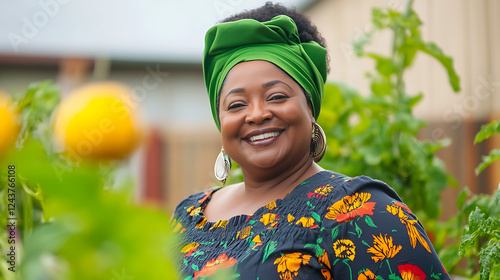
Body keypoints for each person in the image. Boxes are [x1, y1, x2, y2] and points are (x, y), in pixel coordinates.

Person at [172, 3, 450, 280]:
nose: (256, 114)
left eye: (277, 96)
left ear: (310, 108)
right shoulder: (187, 216)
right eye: (236, 104)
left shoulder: (362, 212)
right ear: (220, 121)